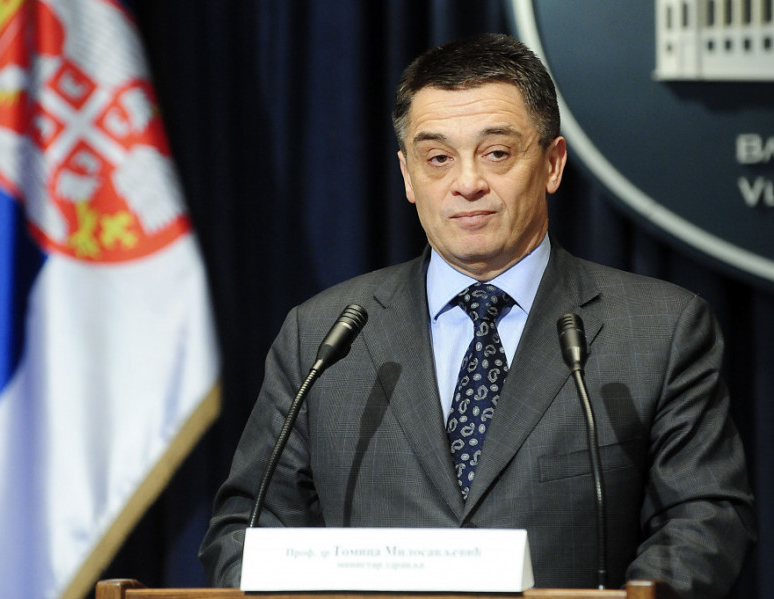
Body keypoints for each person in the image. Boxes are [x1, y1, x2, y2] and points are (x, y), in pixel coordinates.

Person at [198, 33, 755, 598]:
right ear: (408, 176)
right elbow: (246, 530)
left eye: (496, 153)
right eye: (438, 159)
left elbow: (704, 520)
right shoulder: (322, 334)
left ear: (553, 164)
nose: (467, 184)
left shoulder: (660, 329)